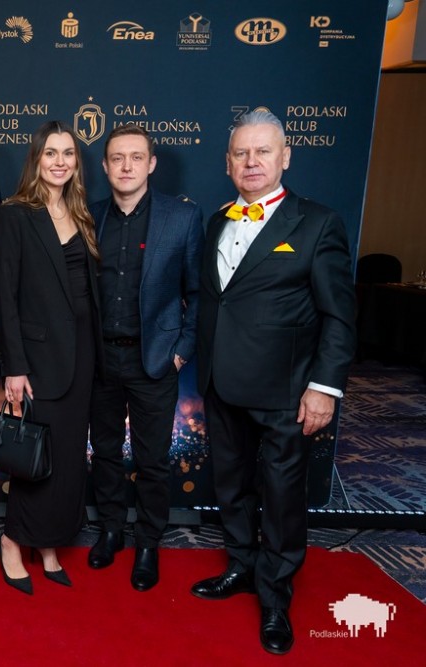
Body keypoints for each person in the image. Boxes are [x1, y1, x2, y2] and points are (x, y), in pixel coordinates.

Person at [191, 110, 356, 654]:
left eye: (263, 151)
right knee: (231, 486)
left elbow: (339, 316)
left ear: (285, 156)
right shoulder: (217, 220)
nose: (252, 162)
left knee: (282, 498)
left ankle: (276, 597)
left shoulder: (317, 223)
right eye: (241, 153)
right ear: (228, 163)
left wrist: (324, 387)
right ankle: (241, 566)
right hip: (221, 382)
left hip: (286, 390)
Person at [87, 124, 204, 591]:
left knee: (153, 459)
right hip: (100, 359)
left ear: (151, 164)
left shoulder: (182, 217)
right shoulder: (89, 216)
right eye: (117, 158)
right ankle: (111, 529)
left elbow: (199, 293)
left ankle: (149, 542)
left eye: (136, 157)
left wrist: (181, 353)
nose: (127, 166)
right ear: (105, 166)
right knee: (105, 452)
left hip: (154, 360)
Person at [0, 121, 103, 594]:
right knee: (37, 456)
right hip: (37, 359)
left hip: (84, 354)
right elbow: (4, 297)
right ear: (36, 159)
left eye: (68, 153)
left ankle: (50, 543)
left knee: (71, 456)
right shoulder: (15, 213)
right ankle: (13, 540)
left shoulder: (81, 212)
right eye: (51, 153)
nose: (60, 161)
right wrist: (14, 367)